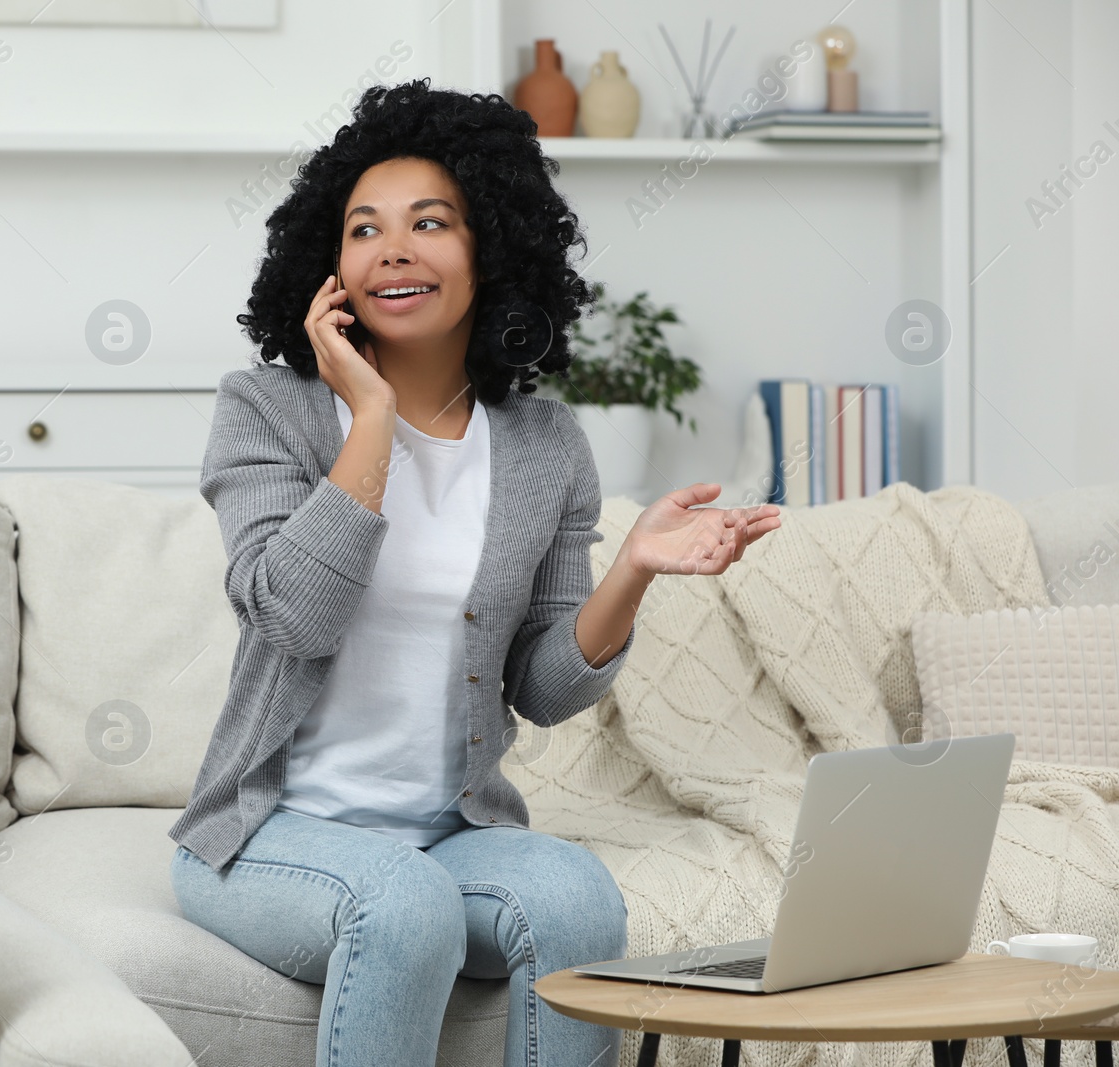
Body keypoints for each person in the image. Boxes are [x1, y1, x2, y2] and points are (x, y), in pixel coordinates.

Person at [168, 78, 781, 1067]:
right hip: (269, 833)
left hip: (452, 828)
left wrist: (631, 568)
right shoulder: (269, 411)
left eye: (429, 222)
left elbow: (542, 689)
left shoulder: (542, 444)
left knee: (577, 895)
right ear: (327, 266)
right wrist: (369, 418)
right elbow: (293, 615)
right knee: (400, 902)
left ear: (489, 249)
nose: (393, 249)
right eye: (363, 229)